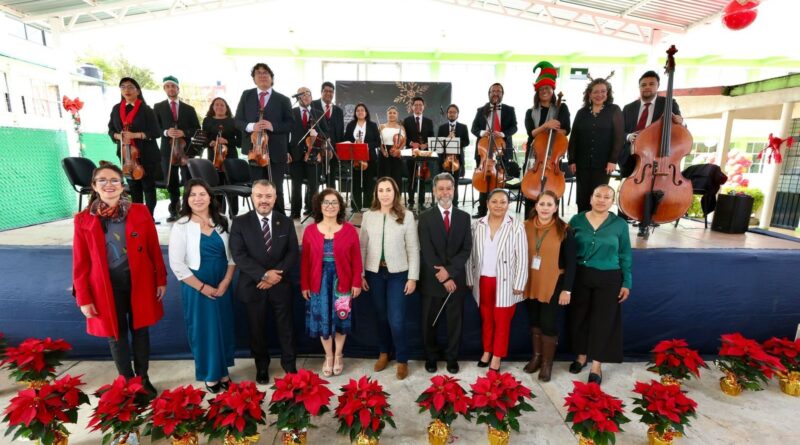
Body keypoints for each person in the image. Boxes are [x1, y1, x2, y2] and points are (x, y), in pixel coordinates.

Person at [72, 161, 166, 395]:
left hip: (139, 282)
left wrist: (160, 280)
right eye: (102, 180)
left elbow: (154, 249)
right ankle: (127, 381)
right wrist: (83, 298)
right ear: (94, 186)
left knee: (141, 330)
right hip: (105, 287)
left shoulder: (140, 211)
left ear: (123, 186)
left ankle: (142, 379)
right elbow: (80, 262)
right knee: (116, 334)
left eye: (114, 180)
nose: (109, 184)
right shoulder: (83, 219)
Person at [168, 179, 236, 393]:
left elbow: (233, 256)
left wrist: (226, 281)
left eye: (202, 194)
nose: (198, 199)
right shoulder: (181, 226)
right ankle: (210, 374)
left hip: (222, 283)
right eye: (192, 195)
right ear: (186, 199)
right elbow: (177, 264)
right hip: (196, 287)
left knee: (223, 327)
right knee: (204, 330)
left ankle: (223, 371)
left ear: (210, 197)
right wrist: (202, 287)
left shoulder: (224, 221)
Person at [229, 180, 299, 384]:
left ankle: (289, 364)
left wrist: (275, 276)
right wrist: (264, 275)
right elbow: (239, 255)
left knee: (286, 327)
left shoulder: (285, 222)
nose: (264, 200)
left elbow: (292, 252)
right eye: (259, 196)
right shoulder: (240, 222)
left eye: (268, 196)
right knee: (256, 329)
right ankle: (261, 367)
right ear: (252, 197)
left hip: (280, 283)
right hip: (253, 285)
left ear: (275, 198)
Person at [567, 184, 632, 385]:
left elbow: (625, 254)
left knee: (603, 321)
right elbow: (567, 249)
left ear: (612, 201)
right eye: (598, 195)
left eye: (606, 197)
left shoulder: (620, 224)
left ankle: (596, 365)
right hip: (581, 275)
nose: (601, 200)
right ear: (591, 198)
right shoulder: (576, 220)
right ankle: (581, 356)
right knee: (579, 317)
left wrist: (627, 282)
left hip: (609, 277)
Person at [359, 177, 419, 380]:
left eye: (388, 190)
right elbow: (362, 247)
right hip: (374, 273)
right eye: (381, 190)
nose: (385, 194)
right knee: (381, 316)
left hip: (399, 274)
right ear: (376, 194)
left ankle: (402, 359)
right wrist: (361, 274)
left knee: (396, 319)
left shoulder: (407, 216)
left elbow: (413, 248)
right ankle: (384, 352)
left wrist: (412, 277)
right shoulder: (368, 216)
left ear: (395, 193)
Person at [300, 189, 363, 376]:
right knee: (322, 320)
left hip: (342, 282)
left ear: (340, 206)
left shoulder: (350, 230)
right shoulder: (310, 230)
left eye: (334, 202)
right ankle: (328, 356)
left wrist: (356, 282)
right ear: (320, 206)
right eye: (326, 202)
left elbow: (356, 259)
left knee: (341, 318)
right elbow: (305, 262)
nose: (330, 206)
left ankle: (339, 355)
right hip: (318, 282)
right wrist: (305, 285)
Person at [466, 189, 528, 372]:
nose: (498, 205)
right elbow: (470, 255)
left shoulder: (516, 226)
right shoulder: (477, 225)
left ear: (508, 205)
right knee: (486, 319)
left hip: (506, 282)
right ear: (487, 203)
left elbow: (522, 257)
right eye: (494, 201)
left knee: (502, 321)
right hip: (483, 280)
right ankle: (487, 350)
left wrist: (519, 283)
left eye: (503, 202)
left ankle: (497, 356)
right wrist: (469, 277)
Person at [619, 70, 685, 236]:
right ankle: (620, 225)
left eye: (651, 84)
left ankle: (646, 223)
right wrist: (628, 136)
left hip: (657, 157)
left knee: (651, 189)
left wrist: (680, 121)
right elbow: (620, 131)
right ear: (639, 87)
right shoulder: (629, 108)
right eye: (643, 85)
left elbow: (678, 129)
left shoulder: (668, 104)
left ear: (657, 86)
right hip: (632, 155)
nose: (647, 87)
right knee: (627, 189)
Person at [418, 173, 472, 374]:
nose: (445, 192)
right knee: (428, 322)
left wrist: (449, 273)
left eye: (448, 188)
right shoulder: (425, 218)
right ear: (434, 191)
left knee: (454, 323)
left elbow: (466, 249)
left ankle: (452, 358)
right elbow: (426, 250)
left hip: (455, 280)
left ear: (454, 190)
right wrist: (442, 276)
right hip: (432, 280)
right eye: (440, 188)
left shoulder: (464, 218)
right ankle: (431, 357)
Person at [522, 190, 576, 382]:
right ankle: (536, 357)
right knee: (534, 321)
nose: (545, 208)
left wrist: (567, 289)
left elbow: (571, 263)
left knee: (548, 323)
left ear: (555, 208)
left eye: (549, 205)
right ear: (535, 206)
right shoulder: (525, 226)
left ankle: (547, 364)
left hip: (554, 284)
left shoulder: (565, 230)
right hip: (530, 281)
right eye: (542, 204)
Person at [234, 63, 293, 215]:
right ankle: (258, 220)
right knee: (258, 190)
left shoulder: (283, 99)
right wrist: (252, 126)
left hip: (276, 152)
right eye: (258, 73)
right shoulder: (246, 96)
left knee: (276, 189)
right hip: (255, 152)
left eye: (265, 73)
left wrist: (273, 126)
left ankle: (279, 219)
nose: (262, 75)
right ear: (254, 78)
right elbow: (237, 121)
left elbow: (290, 124)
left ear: (271, 77)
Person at [567, 76, 624, 213]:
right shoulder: (581, 113)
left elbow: (619, 137)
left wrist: (613, 160)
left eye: (603, 91)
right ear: (589, 94)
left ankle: (597, 223)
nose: (599, 95)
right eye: (596, 92)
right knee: (582, 197)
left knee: (599, 196)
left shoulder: (614, 110)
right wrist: (572, 160)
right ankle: (582, 222)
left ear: (607, 93)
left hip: (604, 164)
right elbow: (574, 137)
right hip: (582, 163)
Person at [522, 62, 572, 216]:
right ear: (537, 92)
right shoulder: (530, 112)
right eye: (541, 89)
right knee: (530, 190)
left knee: (551, 192)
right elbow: (531, 133)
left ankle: (550, 221)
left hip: (553, 155)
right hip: (535, 155)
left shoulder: (562, 108)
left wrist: (554, 131)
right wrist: (546, 126)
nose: (544, 91)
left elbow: (566, 129)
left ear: (552, 90)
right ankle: (530, 219)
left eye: (547, 88)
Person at [107, 77, 162, 215]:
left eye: (131, 87)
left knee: (148, 188)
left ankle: (149, 217)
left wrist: (135, 135)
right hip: (126, 156)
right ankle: (137, 217)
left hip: (147, 155)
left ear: (138, 91)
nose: (127, 90)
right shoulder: (116, 109)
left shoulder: (147, 110)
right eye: (123, 87)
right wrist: (118, 136)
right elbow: (111, 130)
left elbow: (156, 132)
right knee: (133, 188)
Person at [153, 75, 201, 222]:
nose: (171, 89)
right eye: (167, 86)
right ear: (164, 89)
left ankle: (188, 208)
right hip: (167, 151)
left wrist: (184, 132)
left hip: (185, 150)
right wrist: (166, 132)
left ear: (178, 89)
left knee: (188, 179)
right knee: (171, 181)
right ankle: (174, 209)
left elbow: (197, 129)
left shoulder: (189, 109)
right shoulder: (158, 107)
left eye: (173, 86)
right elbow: (155, 128)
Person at [471, 83, 518, 219]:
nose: (496, 93)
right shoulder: (481, 110)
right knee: (484, 180)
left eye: (498, 91)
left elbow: (514, 127)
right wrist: (482, 132)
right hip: (484, 150)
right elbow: (474, 128)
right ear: (489, 93)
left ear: (502, 94)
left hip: (501, 149)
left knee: (499, 182)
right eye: (493, 91)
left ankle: (499, 211)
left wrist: (502, 134)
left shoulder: (509, 109)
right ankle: (482, 211)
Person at [289, 87, 328, 219]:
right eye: (302, 94)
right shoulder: (291, 112)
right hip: (295, 154)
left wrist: (319, 142)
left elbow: (326, 133)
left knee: (313, 185)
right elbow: (286, 135)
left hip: (314, 154)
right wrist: (287, 152)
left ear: (311, 98)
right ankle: (295, 211)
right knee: (296, 185)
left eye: (308, 94)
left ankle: (313, 210)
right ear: (298, 97)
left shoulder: (318, 113)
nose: (305, 96)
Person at [202, 97, 241, 216]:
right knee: (216, 185)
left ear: (226, 108)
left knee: (232, 184)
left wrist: (227, 141)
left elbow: (240, 142)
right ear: (212, 107)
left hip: (230, 157)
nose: (219, 107)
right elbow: (203, 139)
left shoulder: (233, 121)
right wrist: (210, 142)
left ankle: (233, 213)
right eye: (216, 104)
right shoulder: (207, 121)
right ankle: (218, 213)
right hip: (213, 157)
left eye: (222, 105)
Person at [344, 103, 380, 211]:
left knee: (368, 182)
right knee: (355, 182)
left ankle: (368, 205)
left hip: (369, 157)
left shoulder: (372, 125)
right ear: (355, 113)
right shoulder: (351, 125)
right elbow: (346, 139)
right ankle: (356, 206)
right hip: (355, 157)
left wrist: (366, 146)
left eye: (362, 110)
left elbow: (377, 142)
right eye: (358, 110)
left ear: (366, 112)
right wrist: (354, 143)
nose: (360, 112)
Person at [403, 97, 435, 209]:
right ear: (412, 107)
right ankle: (411, 202)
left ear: (423, 107)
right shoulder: (406, 121)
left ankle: (421, 203)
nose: (418, 107)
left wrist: (426, 144)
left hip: (424, 154)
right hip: (411, 154)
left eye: (420, 105)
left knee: (422, 179)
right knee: (411, 179)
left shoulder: (429, 121)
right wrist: (411, 143)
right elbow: (404, 137)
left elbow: (431, 136)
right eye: (415, 105)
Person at [311, 82, 345, 188]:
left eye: (331, 91)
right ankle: (313, 199)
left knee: (331, 180)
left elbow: (340, 132)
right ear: (321, 92)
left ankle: (331, 198)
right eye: (326, 91)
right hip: (316, 149)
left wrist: (338, 150)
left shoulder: (338, 111)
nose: (328, 93)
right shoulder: (312, 105)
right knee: (314, 181)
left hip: (332, 151)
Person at [436, 104, 470, 206]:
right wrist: (446, 139)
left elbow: (467, 142)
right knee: (444, 183)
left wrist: (456, 140)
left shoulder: (463, 127)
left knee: (454, 183)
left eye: (454, 112)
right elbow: (438, 144)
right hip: (445, 160)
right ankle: (443, 204)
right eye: (450, 112)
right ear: (447, 114)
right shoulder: (442, 127)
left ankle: (455, 204)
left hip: (457, 160)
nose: (452, 114)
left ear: (457, 114)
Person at [378, 106, 407, 194]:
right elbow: (378, 141)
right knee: (384, 178)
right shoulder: (381, 126)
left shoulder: (401, 127)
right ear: (387, 114)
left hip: (396, 155)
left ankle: (396, 199)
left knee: (396, 178)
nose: (392, 114)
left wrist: (399, 151)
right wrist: (383, 151)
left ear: (397, 115)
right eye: (390, 113)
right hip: (384, 154)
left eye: (394, 113)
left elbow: (404, 142)